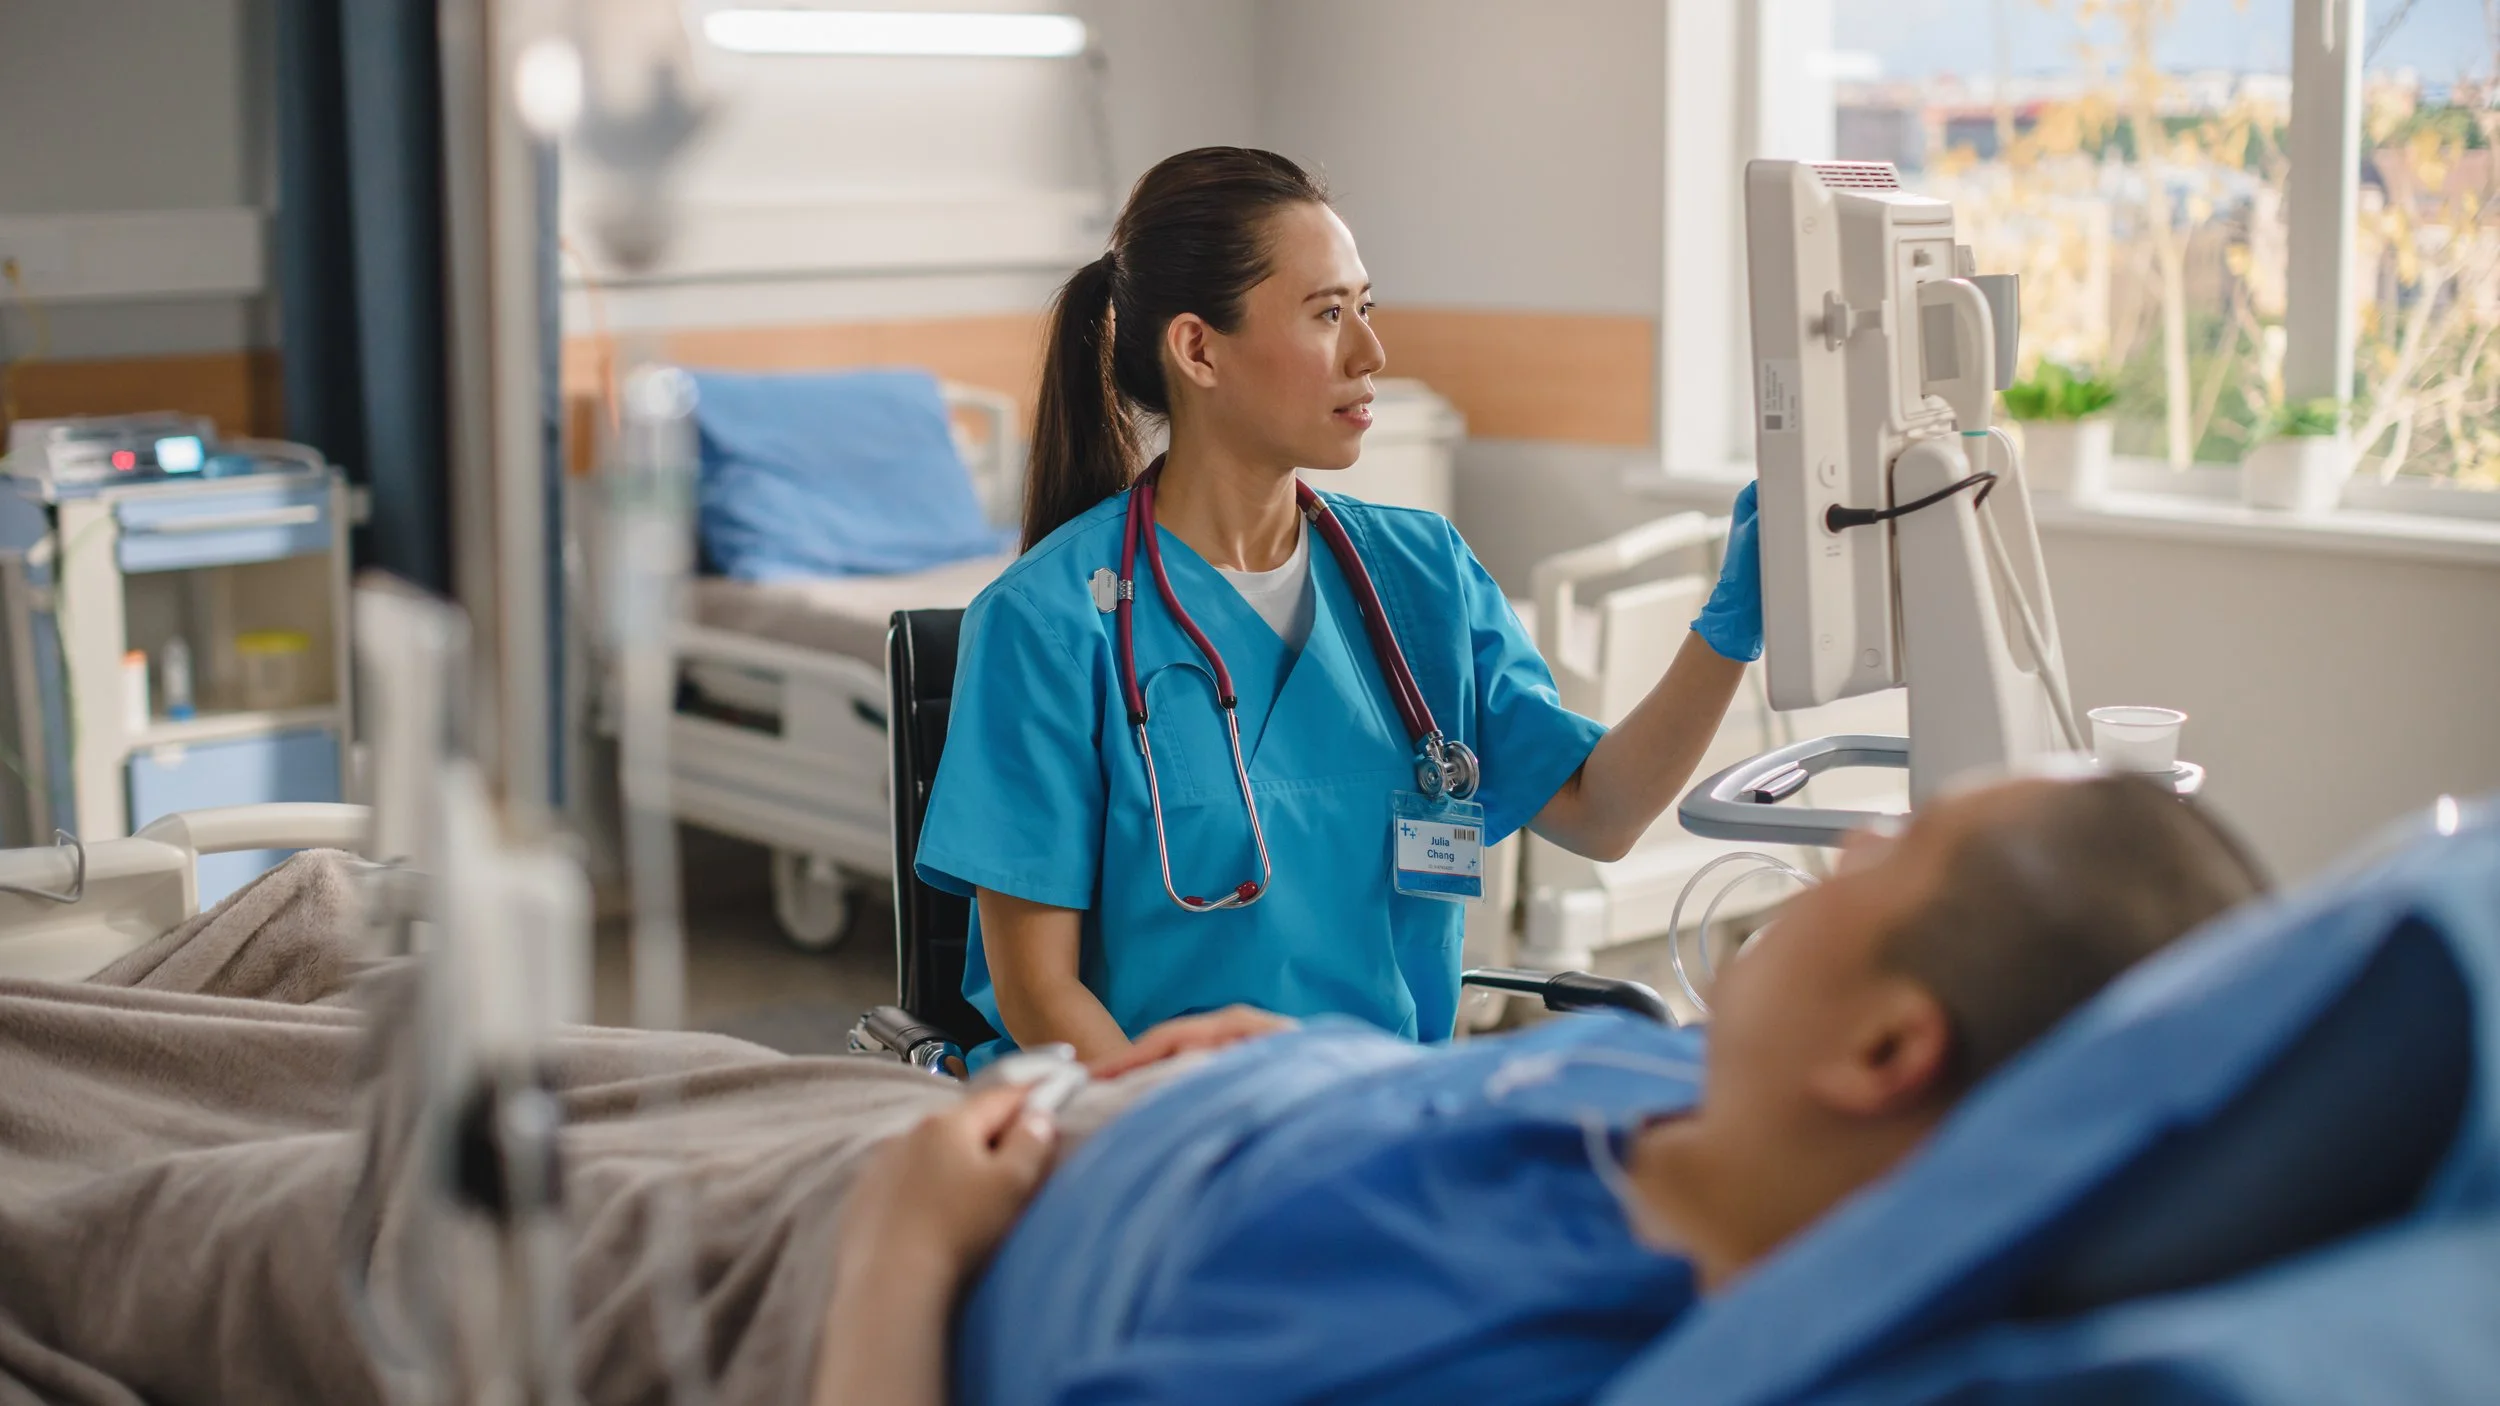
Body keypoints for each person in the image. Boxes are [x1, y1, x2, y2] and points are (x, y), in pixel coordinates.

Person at [817, 774, 2270, 1405]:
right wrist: (1327, 1068)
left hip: (903, 1235)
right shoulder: (1715, 1088)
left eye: (1902, 847)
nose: (1855, 836)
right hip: (1079, 1109)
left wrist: (905, 1244)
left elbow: (1593, 798)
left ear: (1886, 1054)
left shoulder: (1477, 1345)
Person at [914, 146, 1765, 1069]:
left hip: (1384, 1113)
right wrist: (1216, 1137)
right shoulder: (1048, 623)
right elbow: (1042, 996)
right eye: (1327, 315)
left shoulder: (1419, 575)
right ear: (1198, 347)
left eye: (1365, 308)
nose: (1371, 353)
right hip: (1151, 1127)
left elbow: (1602, 811)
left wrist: (1730, 626)